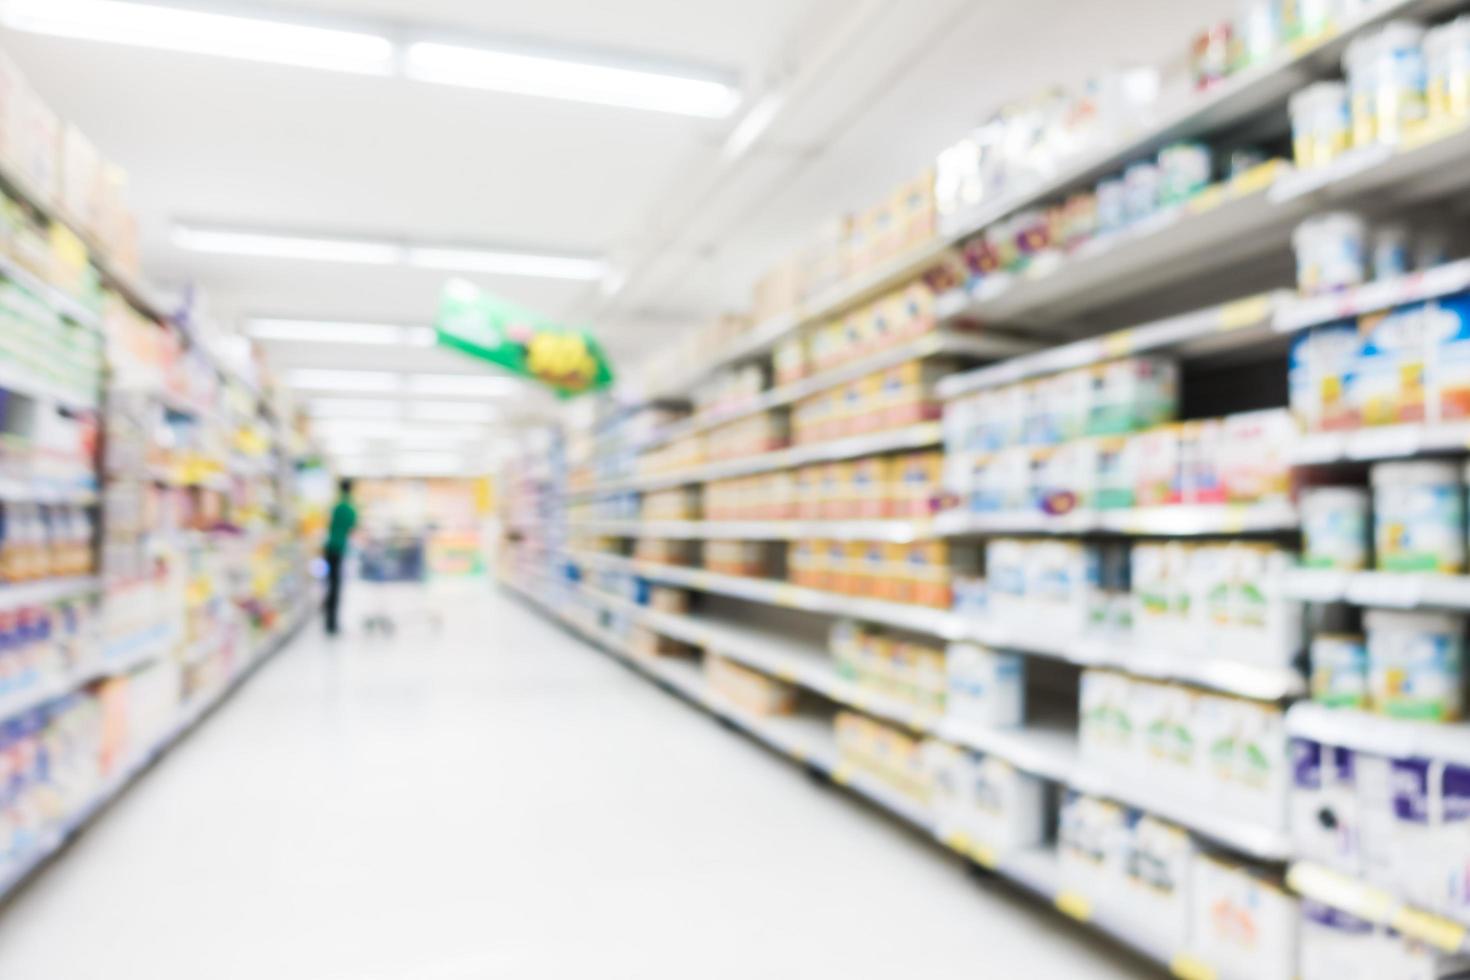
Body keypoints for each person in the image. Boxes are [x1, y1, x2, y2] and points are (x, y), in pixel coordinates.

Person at [323, 478, 358, 635]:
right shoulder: (350, 507)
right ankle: (332, 624)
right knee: (336, 586)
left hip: (329, 547)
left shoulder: (335, 507)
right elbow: (353, 526)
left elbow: (328, 525)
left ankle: (329, 620)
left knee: (330, 584)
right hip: (339, 549)